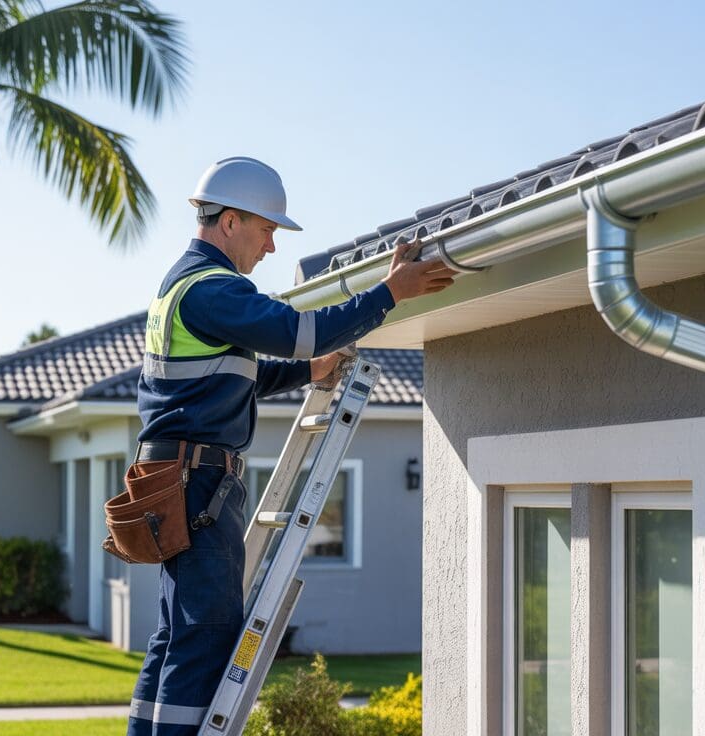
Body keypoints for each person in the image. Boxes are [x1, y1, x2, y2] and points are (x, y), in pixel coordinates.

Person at [127, 156, 456, 735]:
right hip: (197, 483)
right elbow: (298, 333)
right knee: (204, 633)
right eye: (268, 230)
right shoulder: (213, 290)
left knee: (176, 633)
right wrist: (390, 293)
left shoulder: (179, 287)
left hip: (176, 477)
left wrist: (311, 371)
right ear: (230, 221)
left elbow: (233, 376)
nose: (272, 248)